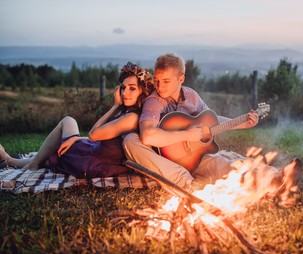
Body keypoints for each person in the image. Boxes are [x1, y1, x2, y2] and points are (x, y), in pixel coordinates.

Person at [122, 53, 262, 190]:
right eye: (157, 80)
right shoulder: (154, 101)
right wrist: (187, 135)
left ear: (181, 79)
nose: (160, 86)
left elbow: (210, 120)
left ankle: (277, 179)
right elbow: (147, 135)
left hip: (194, 158)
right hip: (164, 162)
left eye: (166, 81)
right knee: (130, 141)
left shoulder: (192, 96)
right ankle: (187, 184)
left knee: (235, 169)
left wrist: (242, 123)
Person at [0, 62, 154, 179]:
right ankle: (13, 160)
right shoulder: (132, 113)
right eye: (123, 87)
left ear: (143, 92)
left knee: (67, 122)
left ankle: (27, 164)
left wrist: (115, 106)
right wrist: (77, 139)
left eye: (132, 88)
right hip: (95, 151)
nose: (125, 92)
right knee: (53, 154)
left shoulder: (131, 118)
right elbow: (103, 138)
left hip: (93, 161)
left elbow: (94, 134)